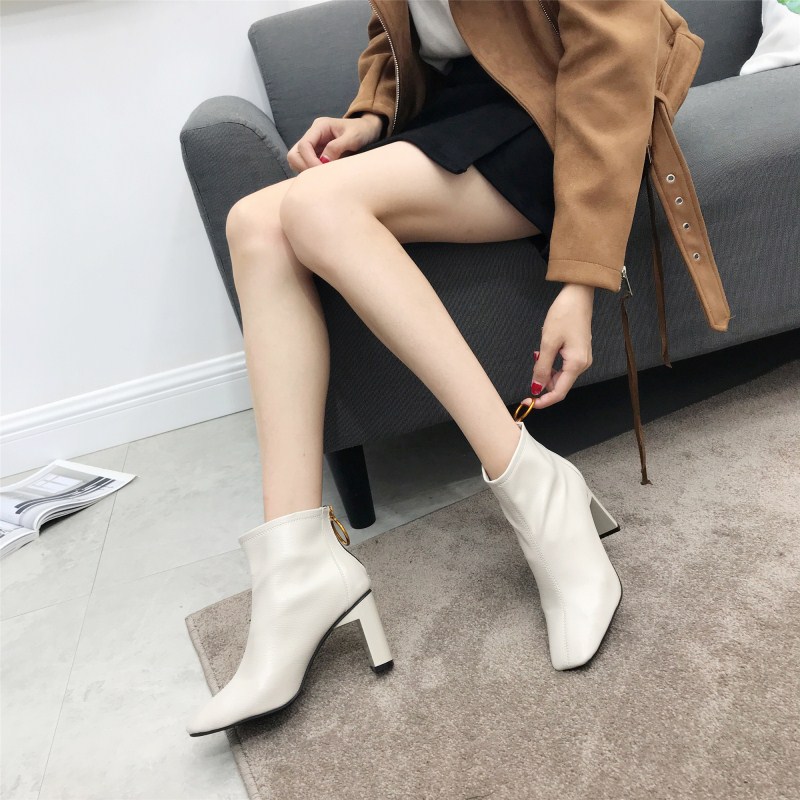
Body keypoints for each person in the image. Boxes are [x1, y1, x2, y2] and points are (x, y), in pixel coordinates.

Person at [186, 0, 663, 738]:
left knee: (314, 208)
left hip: (563, 110)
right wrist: (370, 117)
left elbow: (616, 61)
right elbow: (396, 28)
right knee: (253, 223)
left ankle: (532, 481)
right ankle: (295, 569)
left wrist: (582, 279)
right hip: (455, 110)